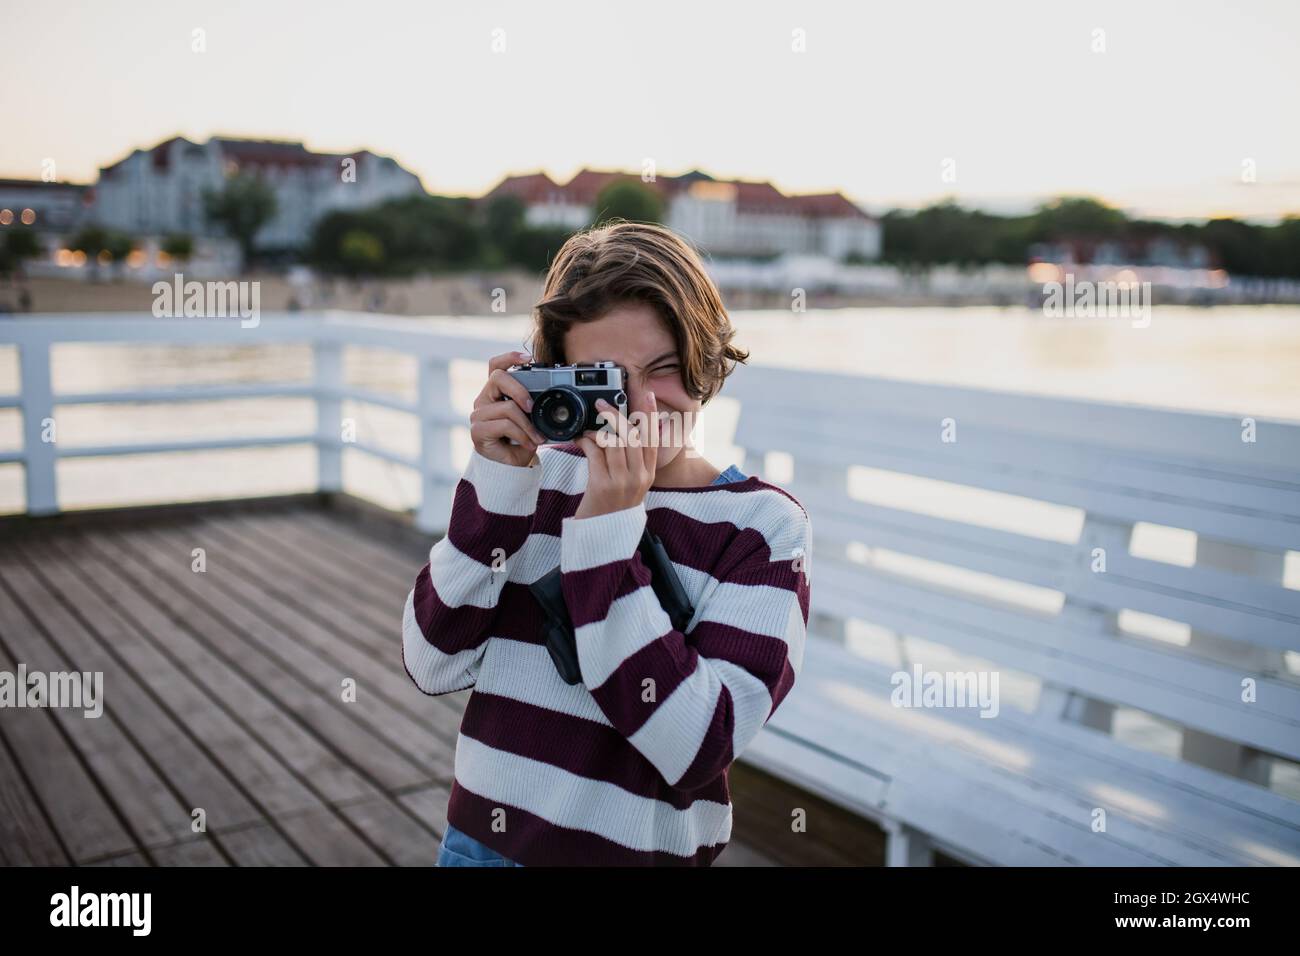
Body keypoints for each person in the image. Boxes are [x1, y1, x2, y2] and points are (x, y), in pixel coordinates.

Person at [406, 221, 813, 866]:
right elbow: (434, 663)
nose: (643, 405)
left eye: (665, 369)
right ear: (557, 379)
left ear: (706, 358)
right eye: (608, 380)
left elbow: (697, 747)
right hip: (480, 847)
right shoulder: (536, 480)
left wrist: (607, 530)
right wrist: (497, 481)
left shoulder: (763, 528)